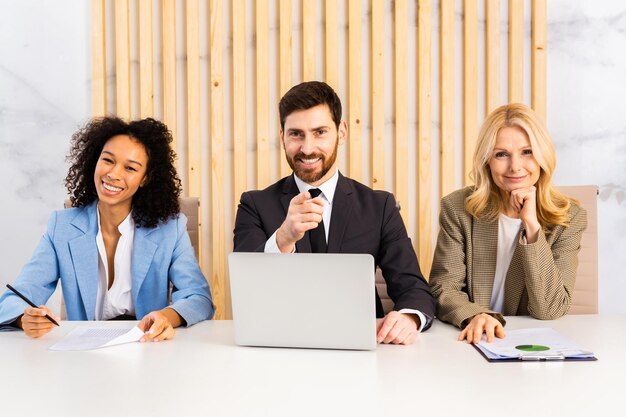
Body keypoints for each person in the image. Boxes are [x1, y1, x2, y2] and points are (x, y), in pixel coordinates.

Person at [233, 81, 435, 345]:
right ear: (282, 136)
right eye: (296, 134)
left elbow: (414, 288)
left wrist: (409, 318)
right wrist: (283, 239)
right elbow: (247, 293)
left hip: (359, 346)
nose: (307, 148)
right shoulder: (254, 205)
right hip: (280, 346)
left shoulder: (380, 206)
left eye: (319, 132)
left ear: (341, 132)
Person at [0, 117, 214, 340]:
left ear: (145, 178)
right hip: (85, 351)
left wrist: (165, 317)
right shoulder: (62, 227)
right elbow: (14, 298)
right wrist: (24, 317)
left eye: (130, 167)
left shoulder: (170, 228)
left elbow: (198, 297)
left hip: (148, 347)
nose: (113, 174)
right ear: (95, 161)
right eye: (108, 160)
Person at [429, 103, 587, 344]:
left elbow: (551, 309)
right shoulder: (458, 208)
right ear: (487, 161)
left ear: (542, 156)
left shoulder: (569, 217)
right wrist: (477, 315)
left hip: (533, 342)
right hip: (471, 338)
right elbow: (444, 288)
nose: (515, 166)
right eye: (501, 154)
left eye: (527, 152)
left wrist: (532, 227)